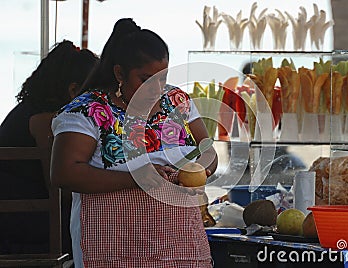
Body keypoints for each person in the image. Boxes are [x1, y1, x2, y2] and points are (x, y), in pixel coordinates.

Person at [50, 18, 218, 267]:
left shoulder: (177, 101)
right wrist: (138, 178)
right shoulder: (88, 110)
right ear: (119, 73)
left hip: (179, 245)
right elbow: (64, 173)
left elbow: (206, 148)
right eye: (146, 79)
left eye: (162, 78)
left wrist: (202, 169)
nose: (157, 88)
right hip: (110, 245)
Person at [0, 40, 99, 254]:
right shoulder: (46, 120)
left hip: (21, 218)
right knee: (103, 228)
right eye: (95, 94)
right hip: (25, 226)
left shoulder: (29, 111)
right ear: (74, 90)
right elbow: (60, 190)